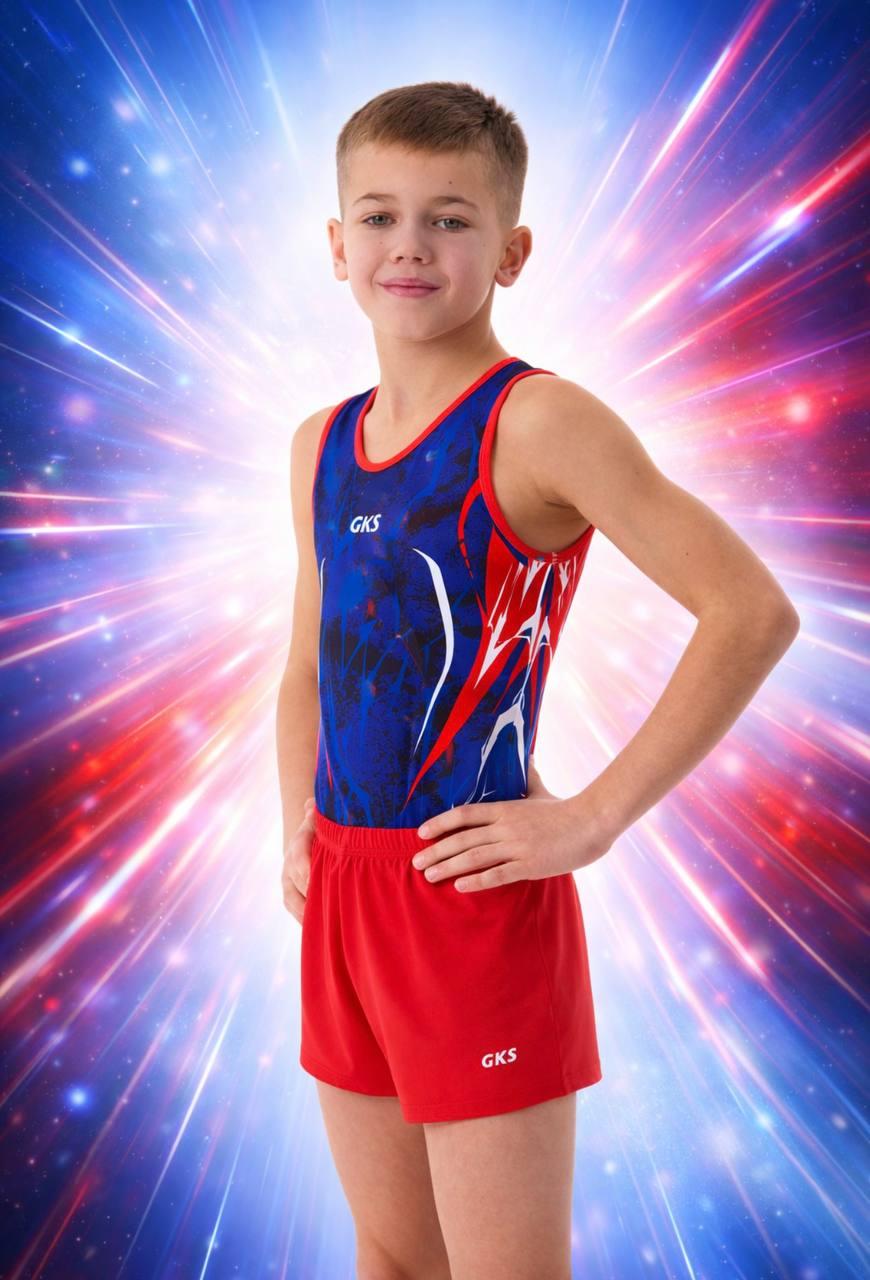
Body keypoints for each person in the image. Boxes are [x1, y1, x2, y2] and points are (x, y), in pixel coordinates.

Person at [275, 81, 800, 1280]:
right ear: (337, 243)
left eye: (451, 219)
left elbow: (751, 610)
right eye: (380, 216)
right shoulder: (319, 443)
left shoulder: (540, 422)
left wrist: (594, 816)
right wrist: (295, 819)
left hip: (472, 893)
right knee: (392, 1258)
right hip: (346, 890)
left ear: (511, 252)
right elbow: (306, 659)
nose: (410, 245)